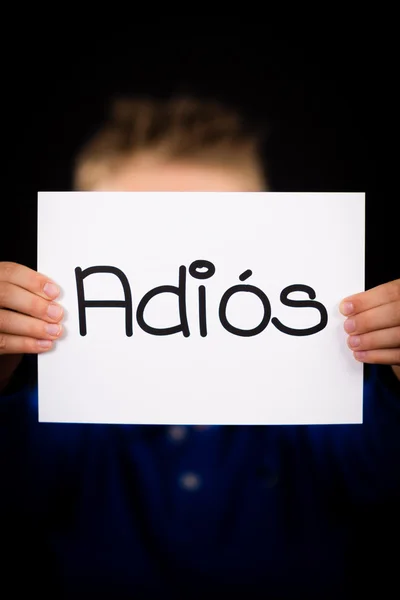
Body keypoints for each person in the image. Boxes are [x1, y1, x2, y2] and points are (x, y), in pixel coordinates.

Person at [0, 96, 399, 599]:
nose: (185, 265)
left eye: (221, 235)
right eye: (147, 239)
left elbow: (380, 471)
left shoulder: (320, 397)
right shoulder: (61, 410)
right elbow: (17, 483)